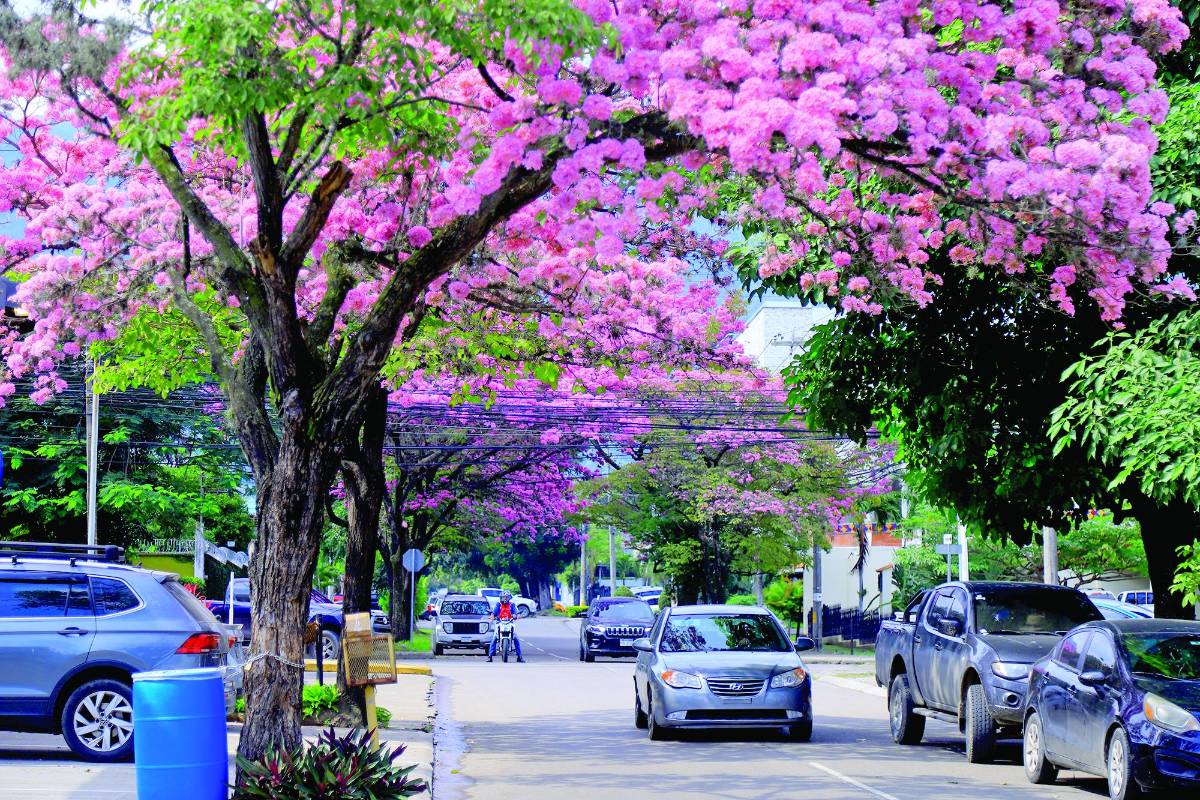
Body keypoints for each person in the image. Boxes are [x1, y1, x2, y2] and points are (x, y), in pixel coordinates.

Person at [487, 590, 525, 662]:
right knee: (494, 638)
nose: (504, 599)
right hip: (499, 622)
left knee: (516, 638)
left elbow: (516, 613)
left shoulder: (512, 605)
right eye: (503, 597)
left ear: (509, 598)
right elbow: (494, 613)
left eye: (506, 597)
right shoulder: (498, 604)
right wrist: (492, 616)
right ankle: (490, 656)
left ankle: (519, 657)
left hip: (510, 622)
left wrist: (517, 615)